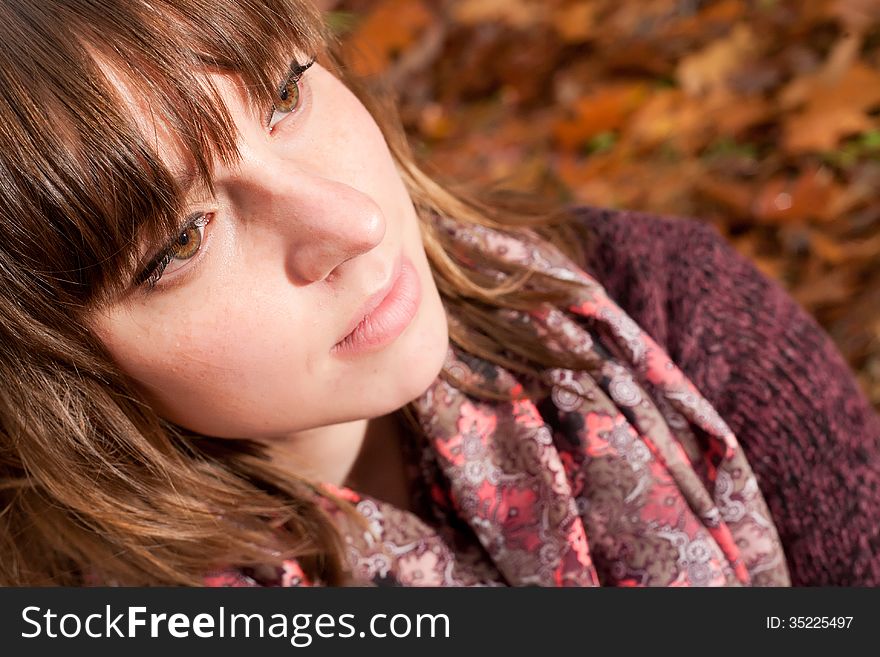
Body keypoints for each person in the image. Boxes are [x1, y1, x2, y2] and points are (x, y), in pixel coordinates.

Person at [0, 0, 877, 587]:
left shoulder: (665, 303)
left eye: (285, 93)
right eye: (183, 239)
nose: (352, 222)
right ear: (43, 371)